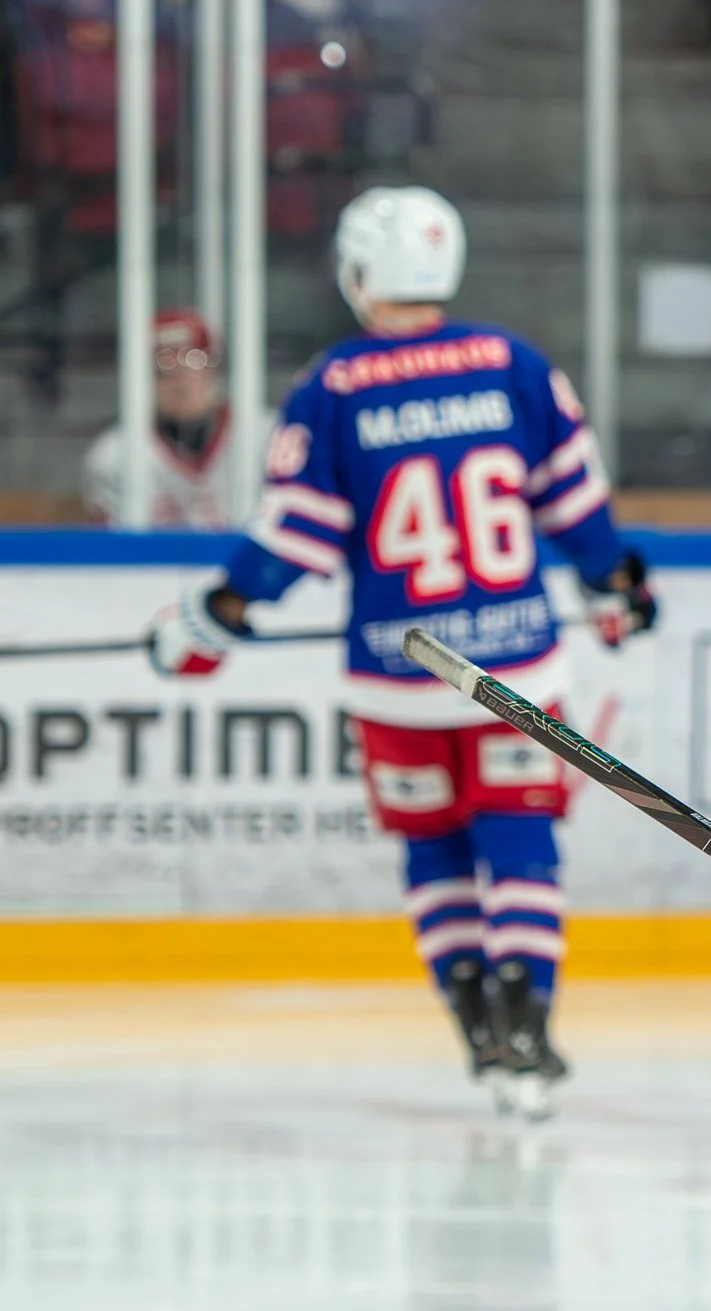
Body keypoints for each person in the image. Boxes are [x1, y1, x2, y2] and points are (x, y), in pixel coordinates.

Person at [145, 186, 656, 1120]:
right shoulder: (513, 363)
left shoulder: (336, 386)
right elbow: (579, 509)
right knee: (520, 842)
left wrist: (215, 614)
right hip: (515, 672)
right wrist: (617, 587)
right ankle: (528, 1026)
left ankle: (476, 1026)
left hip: (396, 678)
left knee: (432, 849)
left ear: (358, 274)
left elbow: (292, 540)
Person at [81, 309, 270, 527]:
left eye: (194, 363)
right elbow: (114, 545)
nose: (181, 383)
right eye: (164, 369)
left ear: (215, 371)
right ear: (141, 379)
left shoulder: (267, 438)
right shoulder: (114, 456)